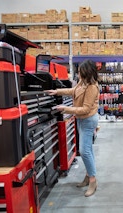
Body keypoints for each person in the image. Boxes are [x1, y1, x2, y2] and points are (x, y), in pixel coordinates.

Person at [46, 59, 99, 197]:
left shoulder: (92, 87)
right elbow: (72, 91)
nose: (78, 74)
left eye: (81, 72)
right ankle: (88, 176)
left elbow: (86, 109)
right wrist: (57, 92)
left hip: (88, 120)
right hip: (81, 120)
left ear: (86, 73)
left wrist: (66, 109)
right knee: (88, 149)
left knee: (84, 150)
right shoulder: (83, 83)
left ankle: (93, 180)